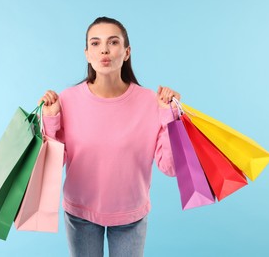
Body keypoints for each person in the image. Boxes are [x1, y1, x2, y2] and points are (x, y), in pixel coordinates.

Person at [40, 16, 180, 257]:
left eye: (113, 42)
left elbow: (170, 167)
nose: (104, 49)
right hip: (80, 213)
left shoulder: (150, 102)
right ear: (86, 53)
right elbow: (50, 166)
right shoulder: (67, 100)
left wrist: (171, 116)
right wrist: (51, 120)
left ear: (127, 52)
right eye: (95, 43)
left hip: (131, 216)